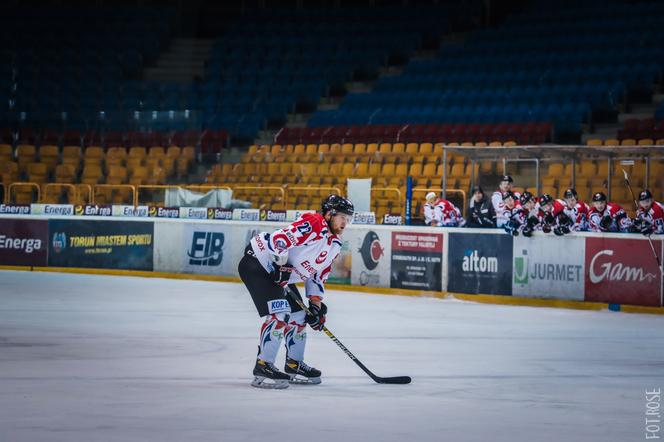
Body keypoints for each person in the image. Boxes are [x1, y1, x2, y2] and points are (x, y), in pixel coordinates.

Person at [238, 194, 354, 389]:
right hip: (259, 264)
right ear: (328, 214)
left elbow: (318, 275)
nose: (345, 222)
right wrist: (281, 265)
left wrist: (316, 307)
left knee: (300, 316)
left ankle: (294, 363)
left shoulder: (335, 244)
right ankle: (263, 365)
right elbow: (279, 240)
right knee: (280, 313)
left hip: (279, 274)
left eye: (348, 219)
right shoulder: (315, 222)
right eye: (342, 216)